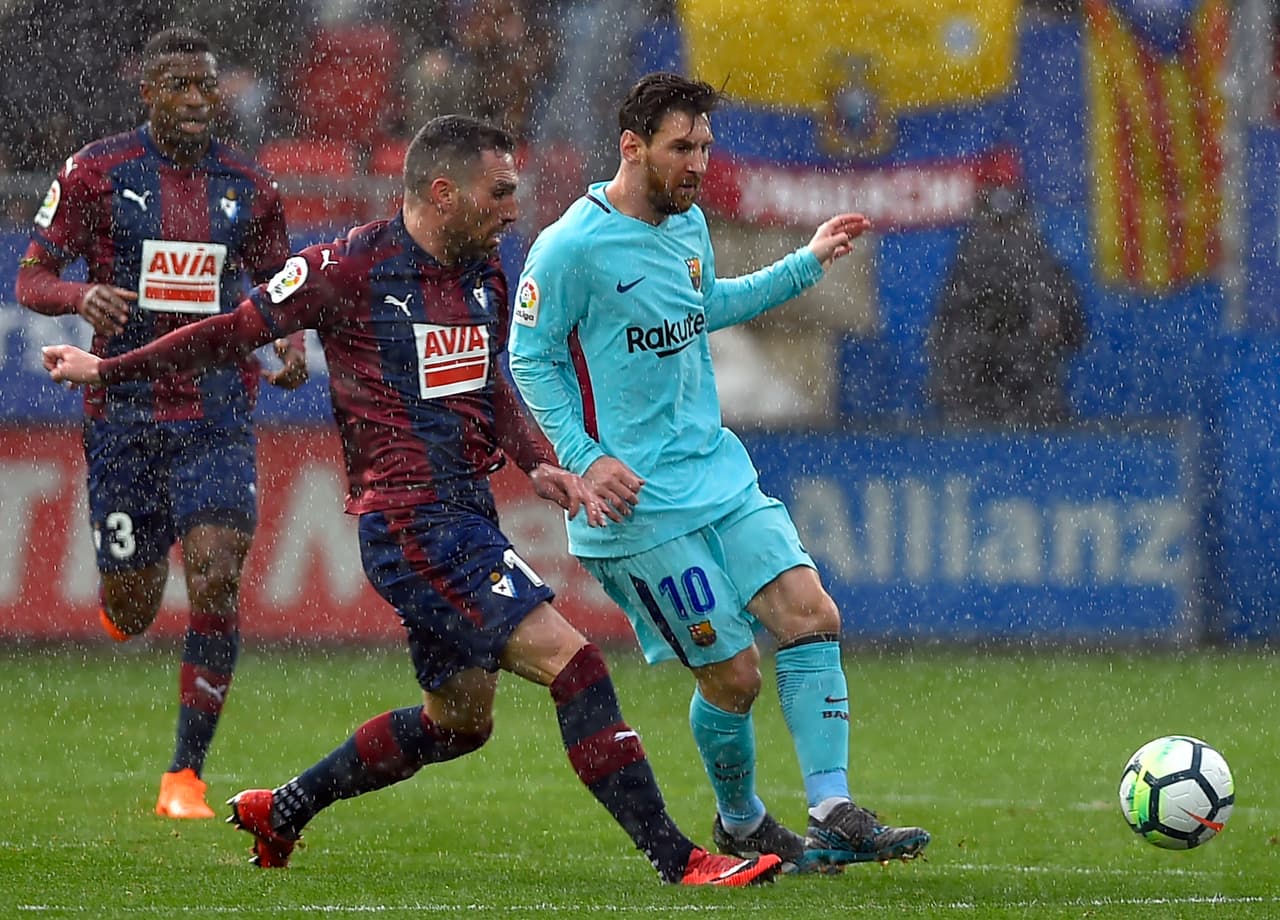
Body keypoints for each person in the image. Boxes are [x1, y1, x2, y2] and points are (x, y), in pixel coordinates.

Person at [41, 115, 782, 888]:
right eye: (498, 193)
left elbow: (489, 382)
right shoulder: (345, 267)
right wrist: (108, 369)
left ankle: (284, 808)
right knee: (578, 665)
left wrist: (538, 464)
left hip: (464, 513)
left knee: (459, 723)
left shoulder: (487, 270)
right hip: (408, 521)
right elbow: (229, 332)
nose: (511, 209)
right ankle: (683, 859)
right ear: (442, 192)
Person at [507, 72, 931, 873]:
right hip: (638, 511)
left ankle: (834, 809)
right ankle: (740, 823)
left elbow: (709, 305)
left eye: (705, 146)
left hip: (718, 474)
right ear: (632, 147)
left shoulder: (689, 222)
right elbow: (528, 355)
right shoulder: (571, 246)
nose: (699, 163)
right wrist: (586, 458)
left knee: (812, 614)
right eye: (682, 148)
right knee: (735, 678)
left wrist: (805, 263)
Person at [15, 27, 308, 820]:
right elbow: (33, 276)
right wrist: (81, 298)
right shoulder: (97, 172)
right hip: (124, 416)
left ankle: (185, 776)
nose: (191, 101)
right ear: (146, 91)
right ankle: (123, 604)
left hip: (217, 413)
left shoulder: (248, 186)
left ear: (218, 95)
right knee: (136, 603)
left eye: (203, 87)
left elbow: (281, 286)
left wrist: (287, 341)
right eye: (175, 86)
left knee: (215, 571)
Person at [927, 178, 1087, 428]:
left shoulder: (1042, 267)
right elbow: (944, 327)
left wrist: (1048, 326)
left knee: (1036, 394)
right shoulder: (967, 265)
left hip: (1028, 385)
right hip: (976, 383)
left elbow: (1071, 327)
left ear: (1024, 222)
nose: (1001, 237)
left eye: (1009, 225)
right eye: (995, 225)